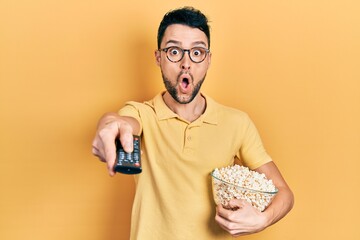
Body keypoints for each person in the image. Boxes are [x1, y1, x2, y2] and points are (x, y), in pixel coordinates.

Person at [92, 6, 294, 239]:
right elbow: (121, 121)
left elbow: (284, 193)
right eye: (174, 52)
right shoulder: (142, 114)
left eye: (196, 53)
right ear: (158, 57)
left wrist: (263, 220)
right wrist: (110, 126)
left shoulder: (237, 123)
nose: (186, 63)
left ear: (208, 60)